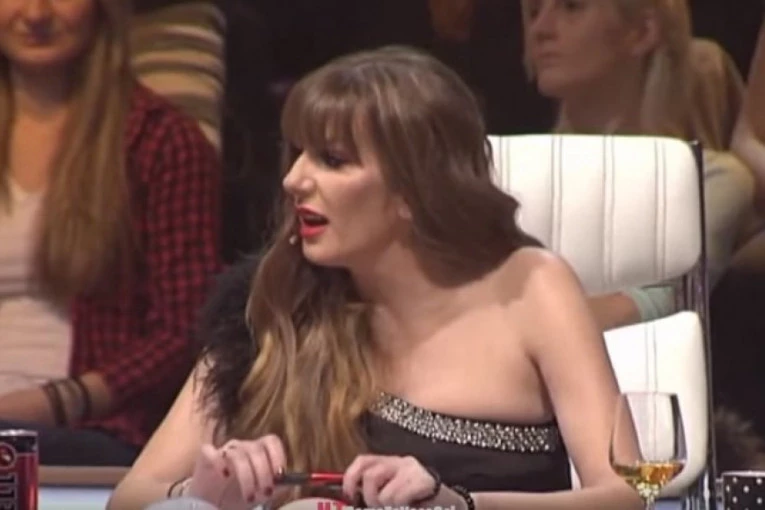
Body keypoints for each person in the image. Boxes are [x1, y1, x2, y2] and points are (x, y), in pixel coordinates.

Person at [108, 46, 641, 510]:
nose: (294, 179)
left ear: (416, 189)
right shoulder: (273, 305)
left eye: (332, 160)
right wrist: (199, 494)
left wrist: (458, 505)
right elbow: (130, 497)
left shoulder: (533, 287)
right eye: (297, 154)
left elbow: (626, 494)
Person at [0, 0, 221, 465]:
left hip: (88, 432)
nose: (35, 14)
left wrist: (54, 402)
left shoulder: (161, 141)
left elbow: (185, 330)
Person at [521, 0, 755, 331]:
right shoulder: (509, 177)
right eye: (534, 12)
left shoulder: (709, 181)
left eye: (572, 7)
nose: (540, 29)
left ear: (643, 31)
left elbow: (669, 297)